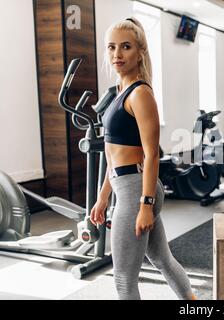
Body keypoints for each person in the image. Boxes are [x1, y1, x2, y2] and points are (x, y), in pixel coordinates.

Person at [90, 17, 194, 300]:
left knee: (123, 278)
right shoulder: (119, 93)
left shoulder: (140, 93)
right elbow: (113, 156)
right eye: (111, 47)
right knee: (162, 259)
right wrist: (102, 197)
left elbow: (151, 155)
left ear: (140, 52)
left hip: (137, 191)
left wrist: (145, 204)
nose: (117, 54)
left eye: (125, 47)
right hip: (125, 186)